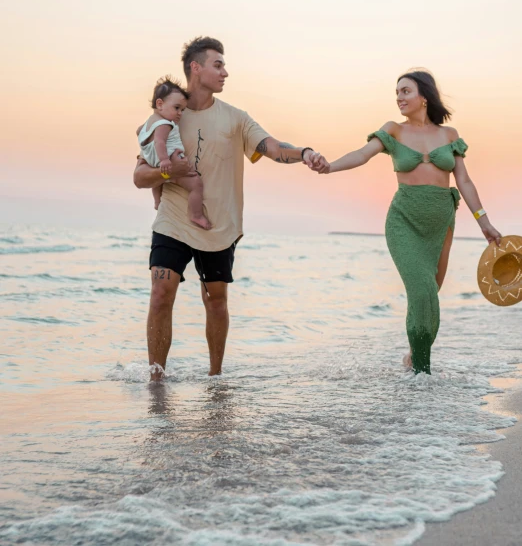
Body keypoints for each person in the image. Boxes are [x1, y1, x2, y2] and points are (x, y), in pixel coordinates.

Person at [134, 36, 326, 380]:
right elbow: (139, 176)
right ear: (196, 68)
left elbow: (271, 146)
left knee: (216, 301)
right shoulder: (166, 118)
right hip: (173, 221)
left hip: (219, 225)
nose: (225, 72)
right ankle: (156, 379)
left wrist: (304, 153)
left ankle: (215, 378)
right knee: (161, 293)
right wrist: (168, 171)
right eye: (218, 65)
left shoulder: (236, 118)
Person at [309, 70, 501, 375]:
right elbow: (362, 154)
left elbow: (463, 180)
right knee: (422, 290)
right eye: (397, 92)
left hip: (441, 222)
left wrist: (484, 222)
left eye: (405, 91)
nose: (399, 97)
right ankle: (421, 377)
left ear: (424, 96)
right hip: (404, 221)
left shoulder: (449, 136)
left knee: (430, 296)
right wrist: (329, 167)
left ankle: (414, 355)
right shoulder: (393, 131)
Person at [137, 76, 211, 229]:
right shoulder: (165, 124)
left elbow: (139, 132)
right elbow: (159, 141)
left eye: (182, 110)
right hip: (169, 161)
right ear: (160, 104)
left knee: (158, 183)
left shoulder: (147, 124)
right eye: (177, 108)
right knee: (196, 185)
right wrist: (164, 160)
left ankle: (158, 201)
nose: (180, 114)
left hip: (153, 163)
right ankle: (196, 215)